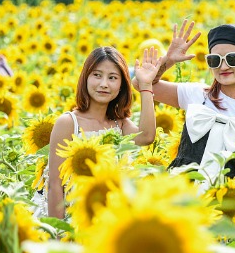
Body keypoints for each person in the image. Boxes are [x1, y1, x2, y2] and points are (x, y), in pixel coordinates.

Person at [136, 21, 235, 185]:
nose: (223, 66)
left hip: (223, 204)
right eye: (215, 60)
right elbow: (141, 84)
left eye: (232, 59)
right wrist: (169, 60)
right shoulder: (197, 94)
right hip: (179, 195)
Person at [44, 46, 162, 219]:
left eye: (112, 77)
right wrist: (58, 234)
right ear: (85, 78)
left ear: (122, 85)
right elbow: (55, 183)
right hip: (75, 219)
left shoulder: (118, 123)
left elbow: (146, 136)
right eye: (97, 75)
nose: (104, 84)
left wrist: (145, 85)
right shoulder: (69, 123)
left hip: (111, 218)